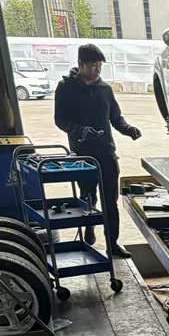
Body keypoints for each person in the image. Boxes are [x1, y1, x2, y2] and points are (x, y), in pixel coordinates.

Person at [54, 43, 142, 258]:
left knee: (110, 201)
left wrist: (128, 129)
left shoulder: (105, 89)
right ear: (81, 64)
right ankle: (89, 228)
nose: (97, 70)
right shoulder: (66, 88)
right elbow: (60, 120)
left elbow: (115, 117)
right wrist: (80, 130)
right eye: (93, 65)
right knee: (88, 197)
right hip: (82, 154)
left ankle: (113, 243)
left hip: (106, 152)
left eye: (100, 66)